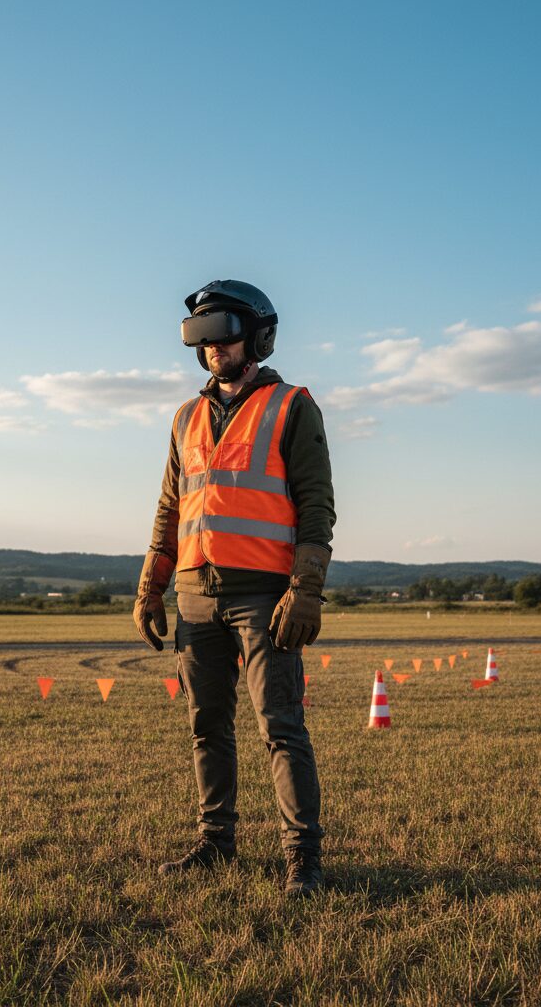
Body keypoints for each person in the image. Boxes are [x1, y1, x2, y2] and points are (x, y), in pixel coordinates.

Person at [133, 279, 335, 896]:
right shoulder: (185, 417)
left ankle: (303, 858)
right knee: (206, 725)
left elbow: (315, 508)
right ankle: (215, 843)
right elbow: (172, 508)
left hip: (266, 596)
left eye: (224, 331)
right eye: (200, 335)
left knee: (280, 726)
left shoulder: (293, 405)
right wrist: (150, 588)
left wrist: (305, 590)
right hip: (195, 594)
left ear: (259, 336)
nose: (213, 346)